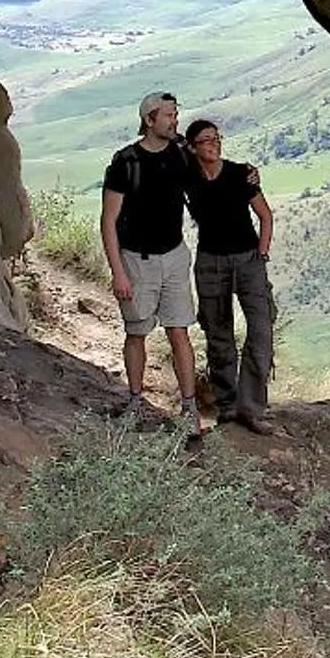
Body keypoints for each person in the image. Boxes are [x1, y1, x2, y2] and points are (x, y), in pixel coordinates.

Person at [100, 90, 203, 442]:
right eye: (170, 116)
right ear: (150, 120)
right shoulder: (125, 162)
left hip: (173, 256)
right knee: (137, 331)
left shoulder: (180, 155)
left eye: (176, 114)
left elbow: (208, 184)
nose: (176, 121)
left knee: (179, 331)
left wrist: (246, 177)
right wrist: (118, 272)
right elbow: (108, 221)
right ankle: (135, 400)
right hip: (136, 260)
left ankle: (189, 408)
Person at [183, 117, 276, 434]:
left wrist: (262, 254)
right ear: (193, 146)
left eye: (216, 138)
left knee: (261, 331)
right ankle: (228, 407)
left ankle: (252, 407)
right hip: (211, 262)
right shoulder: (188, 178)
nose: (214, 144)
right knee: (218, 335)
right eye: (206, 140)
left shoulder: (240, 173)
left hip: (247, 260)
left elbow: (264, 215)